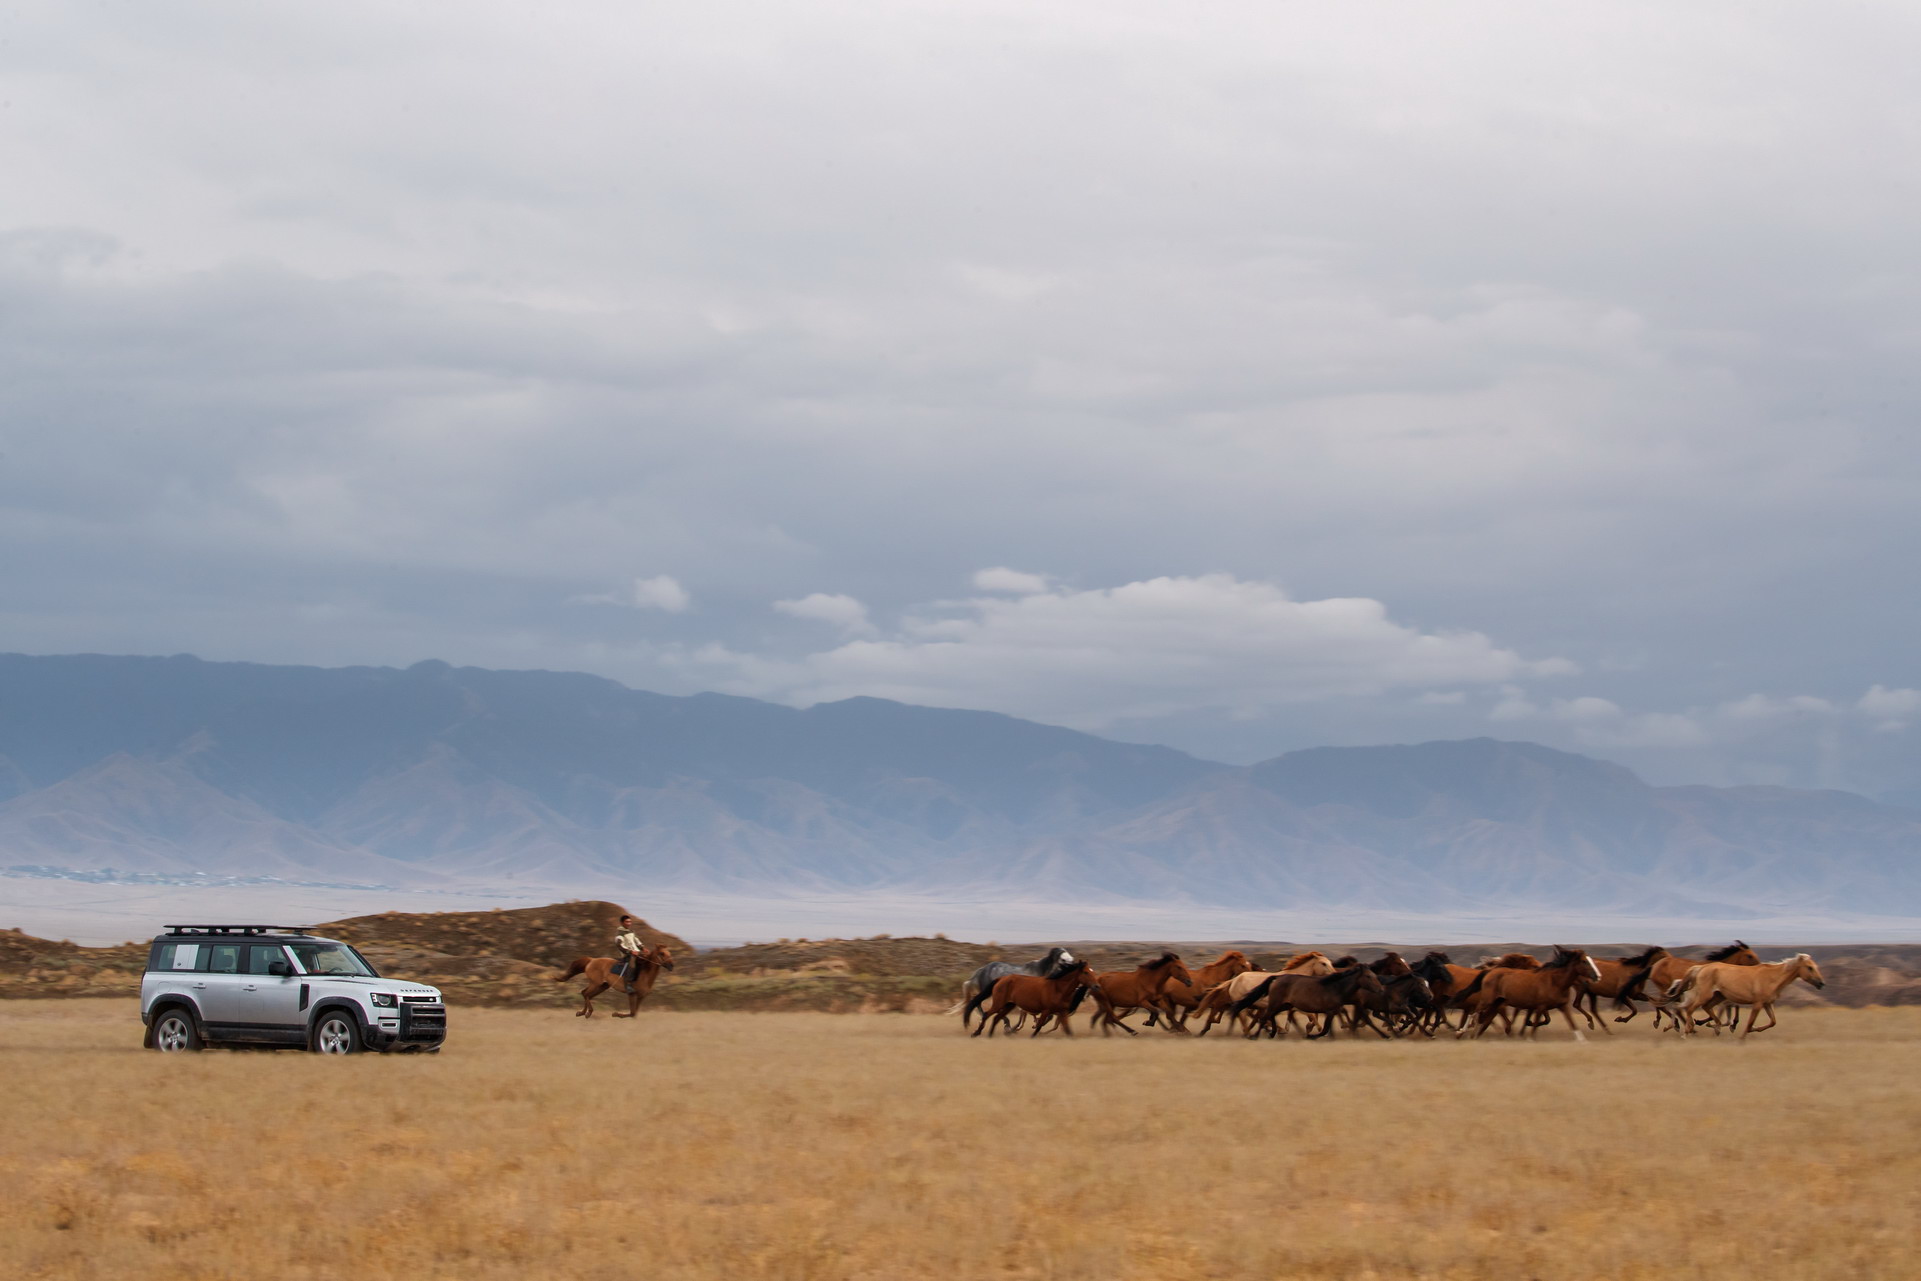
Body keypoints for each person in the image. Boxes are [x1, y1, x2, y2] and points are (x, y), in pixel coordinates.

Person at [613, 915, 647, 993]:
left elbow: (636, 940)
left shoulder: (631, 931)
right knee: (632, 965)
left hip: (636, 951)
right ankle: (627, 985)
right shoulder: (620, 933)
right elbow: (619, 945)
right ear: (622, 923)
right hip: (627, 953)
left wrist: (642, 948)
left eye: (630, 921)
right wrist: (630, 951)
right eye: (627, 922)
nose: (629, 923)